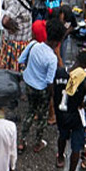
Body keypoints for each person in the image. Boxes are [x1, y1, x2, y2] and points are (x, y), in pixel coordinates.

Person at [20, 16, 62, 152]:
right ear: (58, 41)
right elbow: (50, 82)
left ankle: (22, 141)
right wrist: (52, 95)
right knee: (42, 117)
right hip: (42, 89)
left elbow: (21, 59)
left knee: (30, 112)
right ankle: (38, 143)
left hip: (29, 84)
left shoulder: (34, 45)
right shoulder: (52, 58)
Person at [55, 49, 86, 171]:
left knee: (62, 135)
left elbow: (53, 90)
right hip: (76, 115)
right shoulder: (84, 79)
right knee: (76, 146)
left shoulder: (60, 72)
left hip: (61, 112)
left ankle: (60, 158)